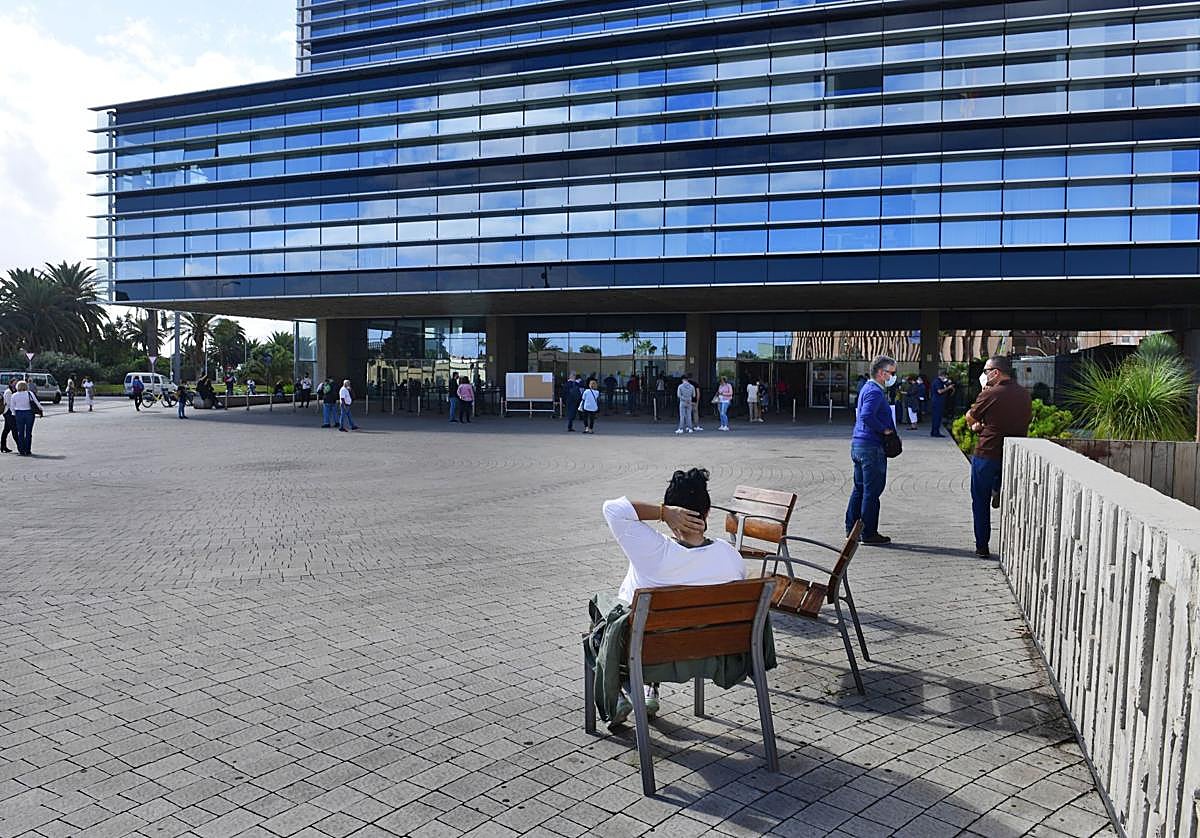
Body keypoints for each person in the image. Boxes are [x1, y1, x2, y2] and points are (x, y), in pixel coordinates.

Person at [599, 467, 745, 723]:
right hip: (706, 654)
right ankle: (647, 688)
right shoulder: (730, 556)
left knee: (605, 619)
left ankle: (620, 692)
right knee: (649, 614)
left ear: (671, 515)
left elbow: (612, 509)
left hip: (645, 653)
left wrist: (663, 512)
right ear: (707, 512)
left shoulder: (654, 550)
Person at [964, 356, 1032, 559]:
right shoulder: (1024, 394)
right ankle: (998, 487)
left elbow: (970, 417)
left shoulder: (990, 393)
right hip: (1012, 454)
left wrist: (977, 423)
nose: (984, 375)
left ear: (996, 372)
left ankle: (982, 546)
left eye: (986, 371)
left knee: (979, 501)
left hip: (987, 452)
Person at [846, 356, 898, 546]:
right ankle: (868, 532)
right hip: (871, 447)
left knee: (859, 488)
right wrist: (884, 429)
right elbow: (867, 415)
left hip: (859, 444)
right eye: (892, 373)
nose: (893, 377)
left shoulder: (866, 389)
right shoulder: (875, 392)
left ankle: (851, 528)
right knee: (871, 491)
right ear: (882, 373)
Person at [10, 381, 42, 456]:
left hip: (19, 413)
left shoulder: (14, 395)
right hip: (29, 413)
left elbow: (12, 407)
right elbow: (36, 403)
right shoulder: (29, 393)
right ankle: (27, 450)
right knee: (28, 432)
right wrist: (41, 410)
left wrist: (14, 414)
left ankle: (21, 450)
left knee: (20, 433)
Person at [931, 370, 955, 437]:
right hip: (937, 402)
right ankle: (935, 432)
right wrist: (948, 388)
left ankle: (934, 431)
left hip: (937, 402)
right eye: (946, 376)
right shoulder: (937, 382)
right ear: (943, 375)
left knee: (936, 417)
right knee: (937, 417)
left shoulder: (938, 381)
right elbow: (939, 391)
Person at [1, 381, 15, 452]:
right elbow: (9, 404)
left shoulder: (11, 391)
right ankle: (20, 446)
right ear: (10, 383)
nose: (15, 384)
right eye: (14, 383)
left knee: (6, 430)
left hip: (8, 412)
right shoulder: (8, 392)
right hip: (8, 412)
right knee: (11, 429)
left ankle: (3, 446)